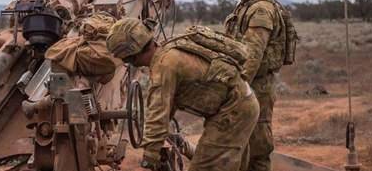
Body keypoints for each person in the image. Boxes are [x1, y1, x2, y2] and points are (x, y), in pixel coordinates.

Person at [107, 18, 259, 171]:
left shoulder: (164, 66)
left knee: (205, 166)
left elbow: (158, 114)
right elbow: (168, 103)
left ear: (131, 56)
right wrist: (161, 139)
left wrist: (150, 156)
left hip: (233, 110)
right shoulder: (168, 50)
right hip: (241, 101)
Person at [215, 0, 297, 171]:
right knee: (241, 150)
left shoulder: (260, 10)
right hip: (247, 88)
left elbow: (251, 58)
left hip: (255, 90)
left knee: (256, 152)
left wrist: (233, 92)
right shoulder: (247, 6)